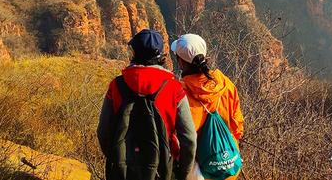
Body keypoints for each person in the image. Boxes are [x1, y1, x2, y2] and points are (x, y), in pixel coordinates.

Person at [97, 29, 197, 180]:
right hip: (162, 169)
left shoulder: (116, 85)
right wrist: (183, 172)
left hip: (124, 170)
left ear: (134, 54)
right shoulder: (174, 88)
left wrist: (117, 159)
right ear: (161, 56)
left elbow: (103, 132)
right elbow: (189, 138)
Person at [171, 34, 244, 180]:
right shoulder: (225, 84)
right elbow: (238, 126)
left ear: (180, 62)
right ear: (205, 56)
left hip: (201, 173)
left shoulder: (179, 94)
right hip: (228, 167)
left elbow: (178, 140)